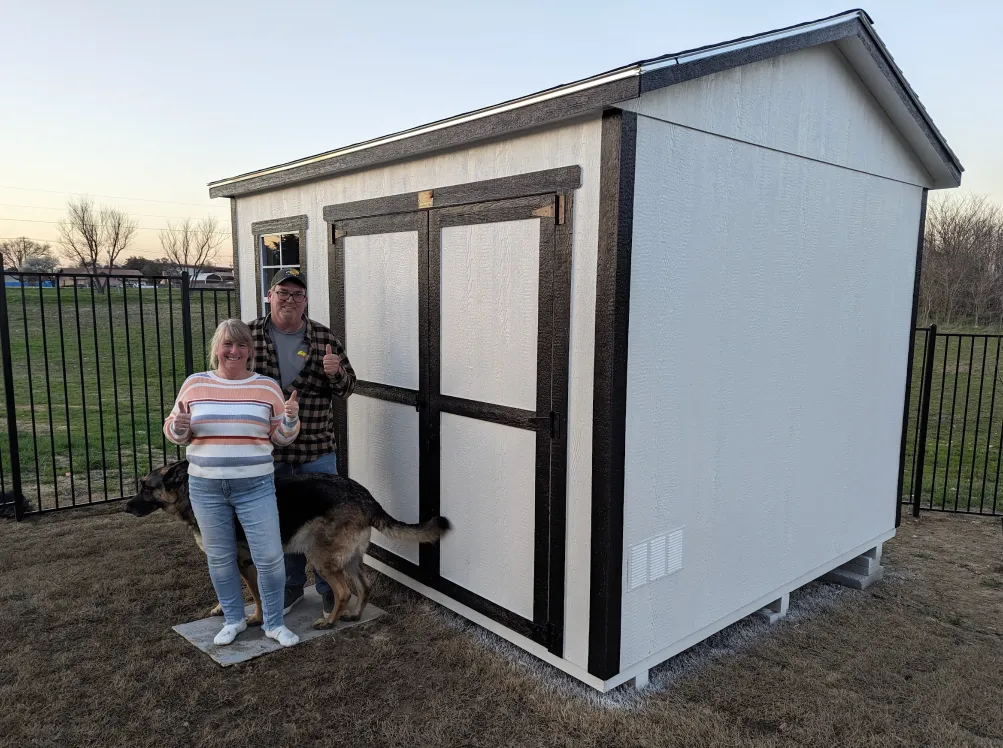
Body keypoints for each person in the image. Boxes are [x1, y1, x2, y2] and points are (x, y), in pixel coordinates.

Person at [164, 318, 301, 648]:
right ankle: (233, 619)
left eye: (241, 345)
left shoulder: (265, 387)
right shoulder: (195, 384)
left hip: (255, 487)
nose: (234, 350)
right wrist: (180, 425)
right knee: (221, 557)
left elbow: (281, 438)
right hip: (206, 488)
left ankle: (273, 622)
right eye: (227, 344)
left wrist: (291, 418)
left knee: (268, 556)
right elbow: (175, 434)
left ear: (250, 351)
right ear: (217, 349)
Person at [249, 267, 356, 616]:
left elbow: (347, 388)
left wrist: (335, 372)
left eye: (297, 295)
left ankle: (329, 588)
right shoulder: (248, 335)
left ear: (306, 301)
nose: (290, 300)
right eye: (283, 293)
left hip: (316, 450)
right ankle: (293, 586)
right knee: (283, 523)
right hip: (269, 451)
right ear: (270, 296)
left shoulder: (324, 337)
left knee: (329, 524)